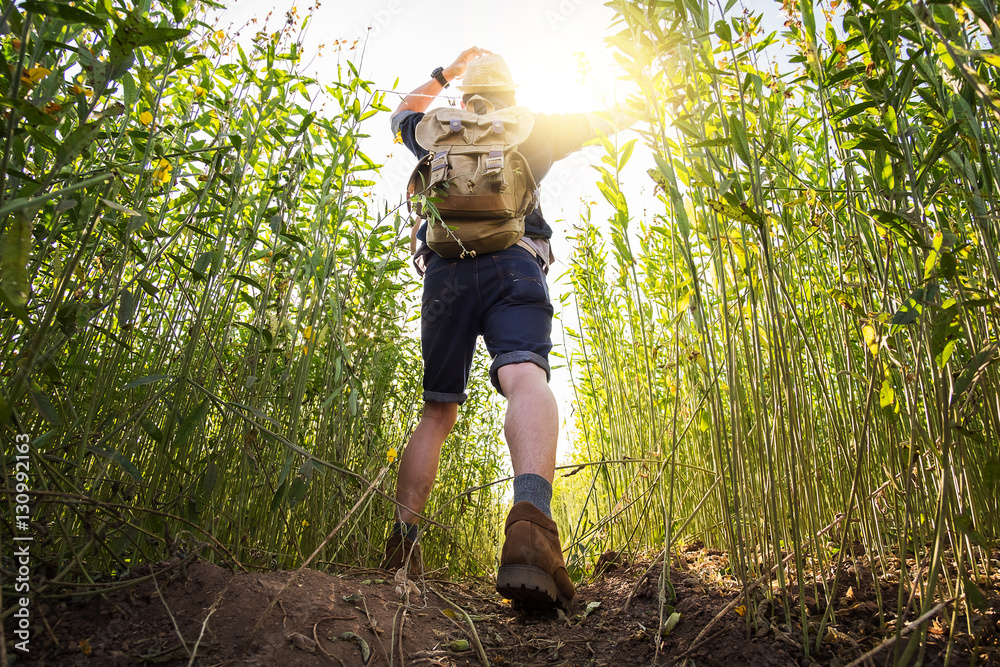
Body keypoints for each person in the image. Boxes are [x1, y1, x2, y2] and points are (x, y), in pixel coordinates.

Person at [382, 47, 633, 610]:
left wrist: (445, 72)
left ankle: (403, 546)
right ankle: (531, 529)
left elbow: (399, 111)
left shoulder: (434, 130)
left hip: (445, 271)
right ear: (510, 97)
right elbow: (604, 119)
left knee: (437, 410)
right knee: (523, 376)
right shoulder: (528, 127)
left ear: (465, 96)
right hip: (513, 262)